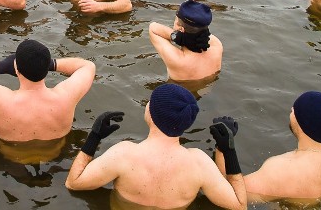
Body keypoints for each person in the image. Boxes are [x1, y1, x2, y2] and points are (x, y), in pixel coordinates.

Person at [65, 83, 247, 210]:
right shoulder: (199, 164)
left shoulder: (124, 154)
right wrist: (227, 150)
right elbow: (239, 205)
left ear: (151, 113)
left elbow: (73, 183)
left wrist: (94, 137)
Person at [0, 39, 95, 162]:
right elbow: (88, 66)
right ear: (46, 68)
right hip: (55, 157)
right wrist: (50, 64)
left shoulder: (0, 100)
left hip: (10, 159)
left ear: (16, 67)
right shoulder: (66, 96)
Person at [226, 91, 321, 204]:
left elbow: (233, 195)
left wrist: (225, 148)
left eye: (294, 110)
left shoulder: (282, 171)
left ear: (302, 123)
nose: (291, 110)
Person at [148, 0, 222, 81]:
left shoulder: (178, 60)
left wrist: (179, 37)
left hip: (178, 92)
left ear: (181, 30)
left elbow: (153, 28)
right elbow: (202, 33)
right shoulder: (217, 45)